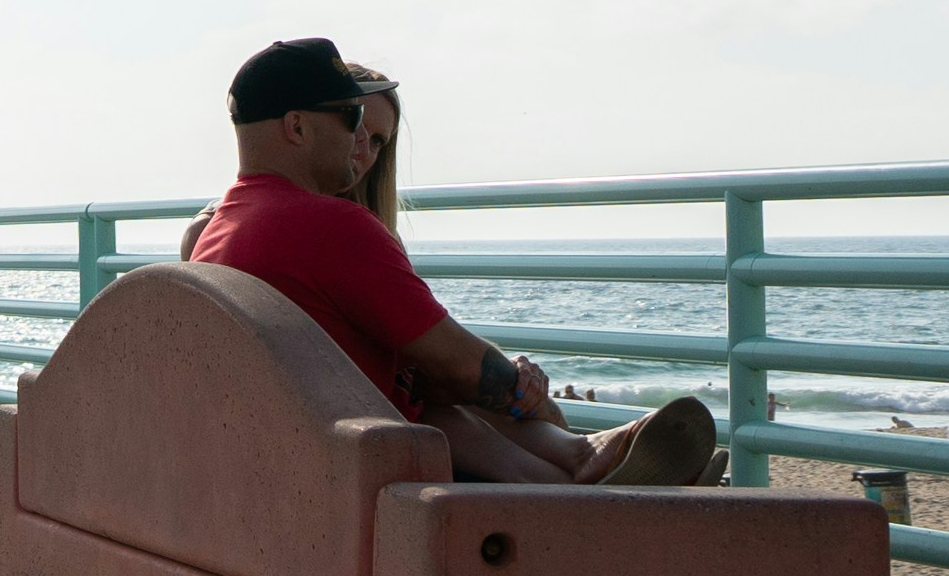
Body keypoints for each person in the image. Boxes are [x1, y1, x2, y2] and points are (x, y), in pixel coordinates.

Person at [186, 37, 716, 488]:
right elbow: (459, 363)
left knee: (439, 397)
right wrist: (540, 405)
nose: (357, 141)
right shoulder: (329, 226)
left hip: (269, 455)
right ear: (297, 128)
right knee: (454, 397)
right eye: (350, 118)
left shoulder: (218, 231)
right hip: (351, 471)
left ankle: (582, 463)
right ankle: (581, 479)